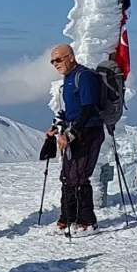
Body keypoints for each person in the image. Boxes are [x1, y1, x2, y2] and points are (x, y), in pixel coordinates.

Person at [46, 43, 105, 235]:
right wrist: (57, 126)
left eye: (58, 59)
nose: (55, 64)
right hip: (75, 132)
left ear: (71, 57)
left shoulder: (85, 77)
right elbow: (72, 110)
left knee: (79, 176)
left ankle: (87, 223)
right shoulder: (69, 78)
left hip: (88, 132)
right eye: (52, 61)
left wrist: (71, 134)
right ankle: (67, 218)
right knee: (68, 176)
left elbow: (88, 109)